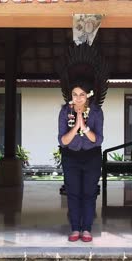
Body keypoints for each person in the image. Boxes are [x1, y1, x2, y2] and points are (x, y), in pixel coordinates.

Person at [58, 80, 104, 242]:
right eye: (75, 95)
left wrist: (84, 126)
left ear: (88, 96)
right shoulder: (64, 112)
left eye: (82, 95)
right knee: (73, 193)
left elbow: (97, 140)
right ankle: (75, 228)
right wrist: (75, 127)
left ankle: (87, 229)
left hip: (92, 156)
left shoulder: (97, 112)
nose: (78, 98)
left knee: (89, 193)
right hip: (70, 156)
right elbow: (63, 140)